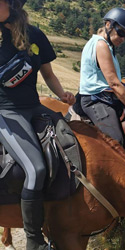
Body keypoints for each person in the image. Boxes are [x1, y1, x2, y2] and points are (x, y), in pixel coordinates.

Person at [0, 0, 75, 249]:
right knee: (36, 169)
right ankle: (34, 242)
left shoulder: (35, 35)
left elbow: (48, 74)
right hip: (5, 112)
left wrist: (63, 95)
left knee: (75, 145)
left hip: (34, 108)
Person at [79, 7, 125, 148]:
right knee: (116, 142)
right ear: (108, 25)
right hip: (96, 100)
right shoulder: (101, 45)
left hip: (105, 97)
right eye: (121, 33)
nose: (123, 38)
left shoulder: (106, 45)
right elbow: (113, 83)